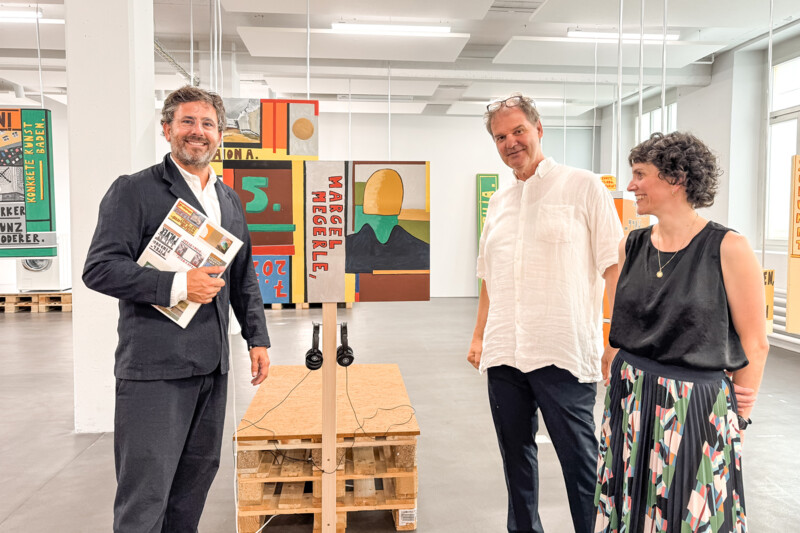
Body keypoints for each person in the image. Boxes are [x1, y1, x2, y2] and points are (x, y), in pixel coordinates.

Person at [83, 85, 271, 533]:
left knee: (192, 489)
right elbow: (100, 268)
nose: (198, 132)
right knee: (145, 495)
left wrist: (256, 338)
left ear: (220, 135)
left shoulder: (228, 200)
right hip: (155, 370)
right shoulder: (134, 191)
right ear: (167, 129)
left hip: (211, 367)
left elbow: (243, 275)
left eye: (208, 124)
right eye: (187, 122)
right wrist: (177, 283)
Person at [594, 132, 769, 531]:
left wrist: (738, 418)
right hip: (630, 396)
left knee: (689, 513)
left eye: (640, 174)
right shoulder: (632, 245)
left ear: (676, 179)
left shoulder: (727, 247)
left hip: (694, 406)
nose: (632, 185)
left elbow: (755, 343)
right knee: (630, 507)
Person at [469, 93, 623, 533]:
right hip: (504, 353)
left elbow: (614, 269)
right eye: (500, 136)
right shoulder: (498, 203)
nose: (510, 142)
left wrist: (614, 339)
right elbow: (488, 277)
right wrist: (479, 336)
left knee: (581, 461)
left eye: (518, 130)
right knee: (515, 461)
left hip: (564, 350)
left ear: (539, 129)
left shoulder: (584, 186)